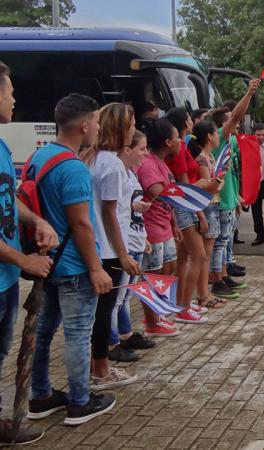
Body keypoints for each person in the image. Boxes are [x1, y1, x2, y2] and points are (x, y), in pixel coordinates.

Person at [28, 93, 116, 426]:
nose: (97, 127)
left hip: (48, 260)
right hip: (76, 266)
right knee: (79, 333)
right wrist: (96, 268)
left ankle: (41, 395)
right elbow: (80, 223)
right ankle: (80, 402)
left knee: (45, 331)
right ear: (83, 125)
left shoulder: (41, 157)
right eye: (95, 121)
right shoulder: (74, 168)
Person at [0, 60, 57, 443]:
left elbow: (8, 198)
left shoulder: (2, 146)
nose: (14, 98)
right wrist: (24, 260)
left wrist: (36, 219)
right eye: (9, 90)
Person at [80, 103, 140, 390]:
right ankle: (101, 371)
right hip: (108, 249)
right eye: (130, 124)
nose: (133, 130)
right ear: (119, 128)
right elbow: (110, 213)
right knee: (104, 311)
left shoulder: (90, 157)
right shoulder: (112, 164)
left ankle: (96, 367)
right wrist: (124, 254)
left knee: (99, 312)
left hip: (96, 246)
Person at [108, 130, 155, 362]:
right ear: (127, 150)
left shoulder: (132, 174)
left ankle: (125, 333)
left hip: (135, 239)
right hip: (124, 244)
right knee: (117, 298)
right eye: (142, 149)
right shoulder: (117, 173)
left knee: (127, 295)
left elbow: (130, 210)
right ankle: (112, 341)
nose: (145, 154)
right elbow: (115, 212)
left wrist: (143, 235)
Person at [210, 80, 259, 294]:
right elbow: (237, 115)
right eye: (230, 121)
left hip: (229, 197)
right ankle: (216, 281)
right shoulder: (221, 137)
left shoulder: (228, 141)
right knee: (219, 243)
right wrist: (249, 92)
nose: (235, 123)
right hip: (219, 200)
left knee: (224, 240)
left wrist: (237, 196)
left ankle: (223, 276)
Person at [136, 118, 184, 334]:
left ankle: (159, 313)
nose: (180, 141)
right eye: (177, 138)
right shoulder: (148, 163)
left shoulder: (162, 162)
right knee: (152, 273)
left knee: (168, 268)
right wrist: (189, 193)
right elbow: (158, 192)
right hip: (152, 228)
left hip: (165, 225)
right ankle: (151, 321)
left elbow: (168, 196)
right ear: (167, 142)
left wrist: (174, 224)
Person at [164, 107, 211, 323]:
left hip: (182, 204)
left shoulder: (182, 146)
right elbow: (185, 186)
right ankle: (183, 307)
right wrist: (200, 213)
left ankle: (181, 301)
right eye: (189, 119)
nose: (192, 122)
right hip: (184, 206)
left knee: (183, 258)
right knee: (199, 255)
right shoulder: (180, 149)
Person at [191, 120, 230, 307]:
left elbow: (216, 184)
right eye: (216, 133)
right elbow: (208, 186)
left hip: (213, 205)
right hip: (207, 207)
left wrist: (218, 180)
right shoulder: (201, 159)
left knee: (206, 253)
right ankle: (202, 295)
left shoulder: (210, 157)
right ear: (209, 136)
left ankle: (204, 294)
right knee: (203, 255)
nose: (218, 137)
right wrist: (219, 179)